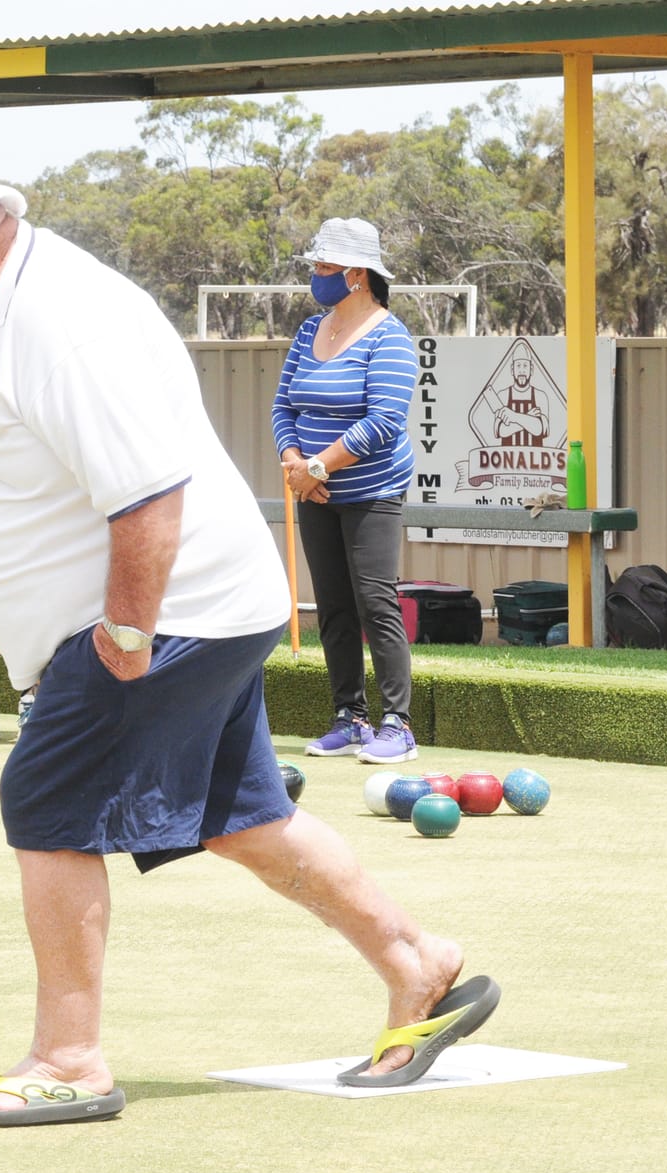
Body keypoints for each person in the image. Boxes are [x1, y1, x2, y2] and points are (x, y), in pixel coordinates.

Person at [0, 132, 494, 1126]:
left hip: (170, 608)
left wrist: (125, 635)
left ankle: (69, 1057)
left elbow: (149, 496)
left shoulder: (66, 320)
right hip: (178, 612)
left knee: (47, 795)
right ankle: (418, 962)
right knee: (240, 816)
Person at [272, 217, 423, 765]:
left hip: (372, 491)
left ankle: (397, 725)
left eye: (325, 265)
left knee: (374, 603)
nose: (316, 274)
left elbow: (383, 421)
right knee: (333, 607)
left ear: (357, 274)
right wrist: (295, 463)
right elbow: (283, 406)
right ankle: (350, 719)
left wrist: (317, 466)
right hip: (315, 493)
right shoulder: (309, 331)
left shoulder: (390, 337)